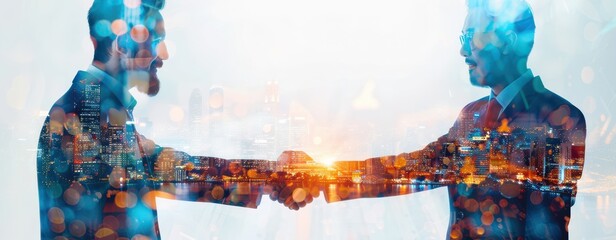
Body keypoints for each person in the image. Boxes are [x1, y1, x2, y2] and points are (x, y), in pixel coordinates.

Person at [36, 1, 310, 238]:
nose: (163, 55)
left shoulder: (97, 110)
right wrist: (275, 175)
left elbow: (171, 168)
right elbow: (176, 171)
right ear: (122, 44)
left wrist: (274, 174)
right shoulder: (87, 114)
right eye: (155, 41)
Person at [318, 0, 586, 239]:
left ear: (508, 40)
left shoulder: (559, 118)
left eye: (471, 36)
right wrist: (318, 178)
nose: (463, 50)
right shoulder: (471, 115)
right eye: (462, 37)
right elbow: (413, 168)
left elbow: (545, 231)